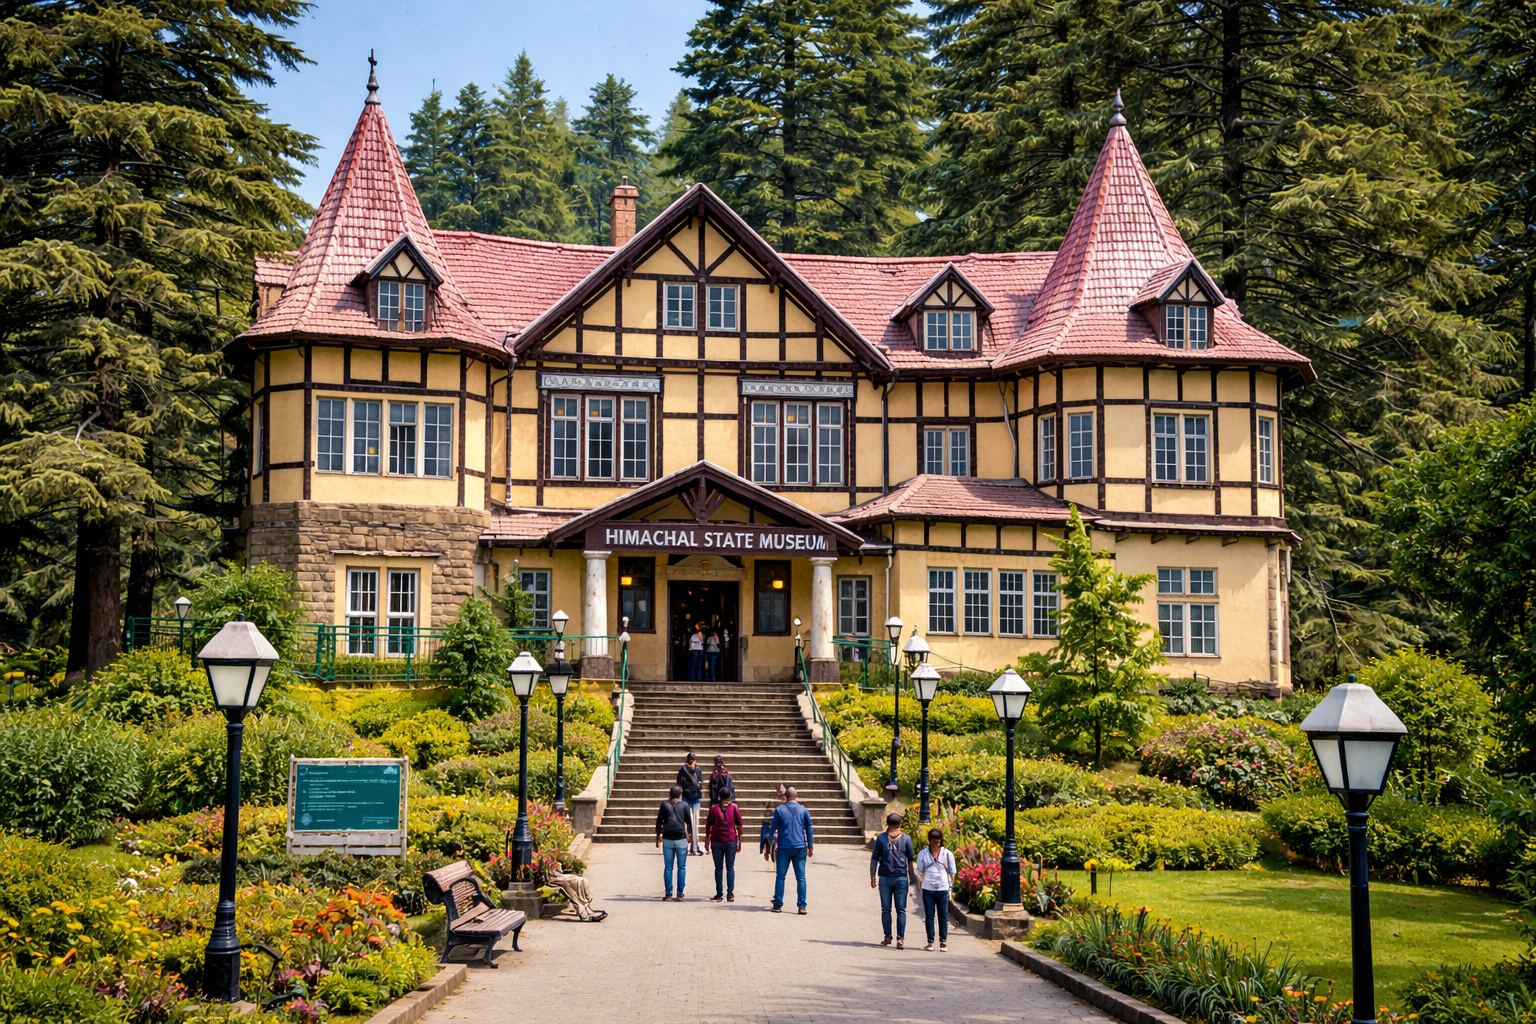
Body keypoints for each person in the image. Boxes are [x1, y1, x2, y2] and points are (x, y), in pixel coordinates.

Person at [869, 812, 915, 949]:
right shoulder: (906, 839)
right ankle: (900, 939)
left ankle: (887, 936)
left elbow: (874, 859)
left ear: (887, 824)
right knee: (901, 910)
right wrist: (912, 882)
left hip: (884, 878)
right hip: (901, 878)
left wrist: (872, 875)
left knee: (885, 909)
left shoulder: (881, 839)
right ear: (900, 824)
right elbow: (910, 860)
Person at [769, 786, 814, 914]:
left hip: (783, 847)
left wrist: (769, 842)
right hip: (800, 847)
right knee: (801, 877)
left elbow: (773, 828)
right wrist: (810, 846)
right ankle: (802, 906)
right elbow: (809, 828)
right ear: (796, 796)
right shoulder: (803, 810)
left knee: (781, 876)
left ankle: (778, 904)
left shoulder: (779, 810)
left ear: (785, 797)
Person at [917, 827, 958, 951]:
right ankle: (930, 942)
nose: (936, 843)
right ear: (929, 840)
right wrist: (920, 882)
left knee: (943, 915)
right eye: (934, 840)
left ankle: (943, 942)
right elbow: (919, 870)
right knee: (929, 915)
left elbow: (952, 871)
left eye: (938, 840)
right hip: (928, 888)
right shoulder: (923, 853)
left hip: (943, 888)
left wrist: (951, 887)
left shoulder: (947, 854)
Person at [654, 785, 693, 900]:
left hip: (668, 838)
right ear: (680, 795)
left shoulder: (664, 805)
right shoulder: (685, 805)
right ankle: (680, 893)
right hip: (681, 838)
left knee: (668, 867)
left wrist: (657, 839)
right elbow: (689, 822)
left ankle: (668, 893)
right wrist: (690, 836)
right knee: (682, 867)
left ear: (670, 794)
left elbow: (658, 822)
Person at [704, 788, 743, 902]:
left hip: (717, 841)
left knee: (718, 868)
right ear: (730, 796)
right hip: (731, 840)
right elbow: (739, 824)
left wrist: (707, 840)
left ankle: (719, 894)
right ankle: (730, 894)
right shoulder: (734, 808)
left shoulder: (714, 808)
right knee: (730, 867)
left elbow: (708, 825)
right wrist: (738, 838)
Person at [677, 753, 704, 855]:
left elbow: (678, 782)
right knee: (691, 823)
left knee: (693, 823)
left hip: (692, 798)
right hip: (689, 798)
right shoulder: (693, 770)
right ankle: (692, 846)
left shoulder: (685, 770)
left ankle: (693, 846)